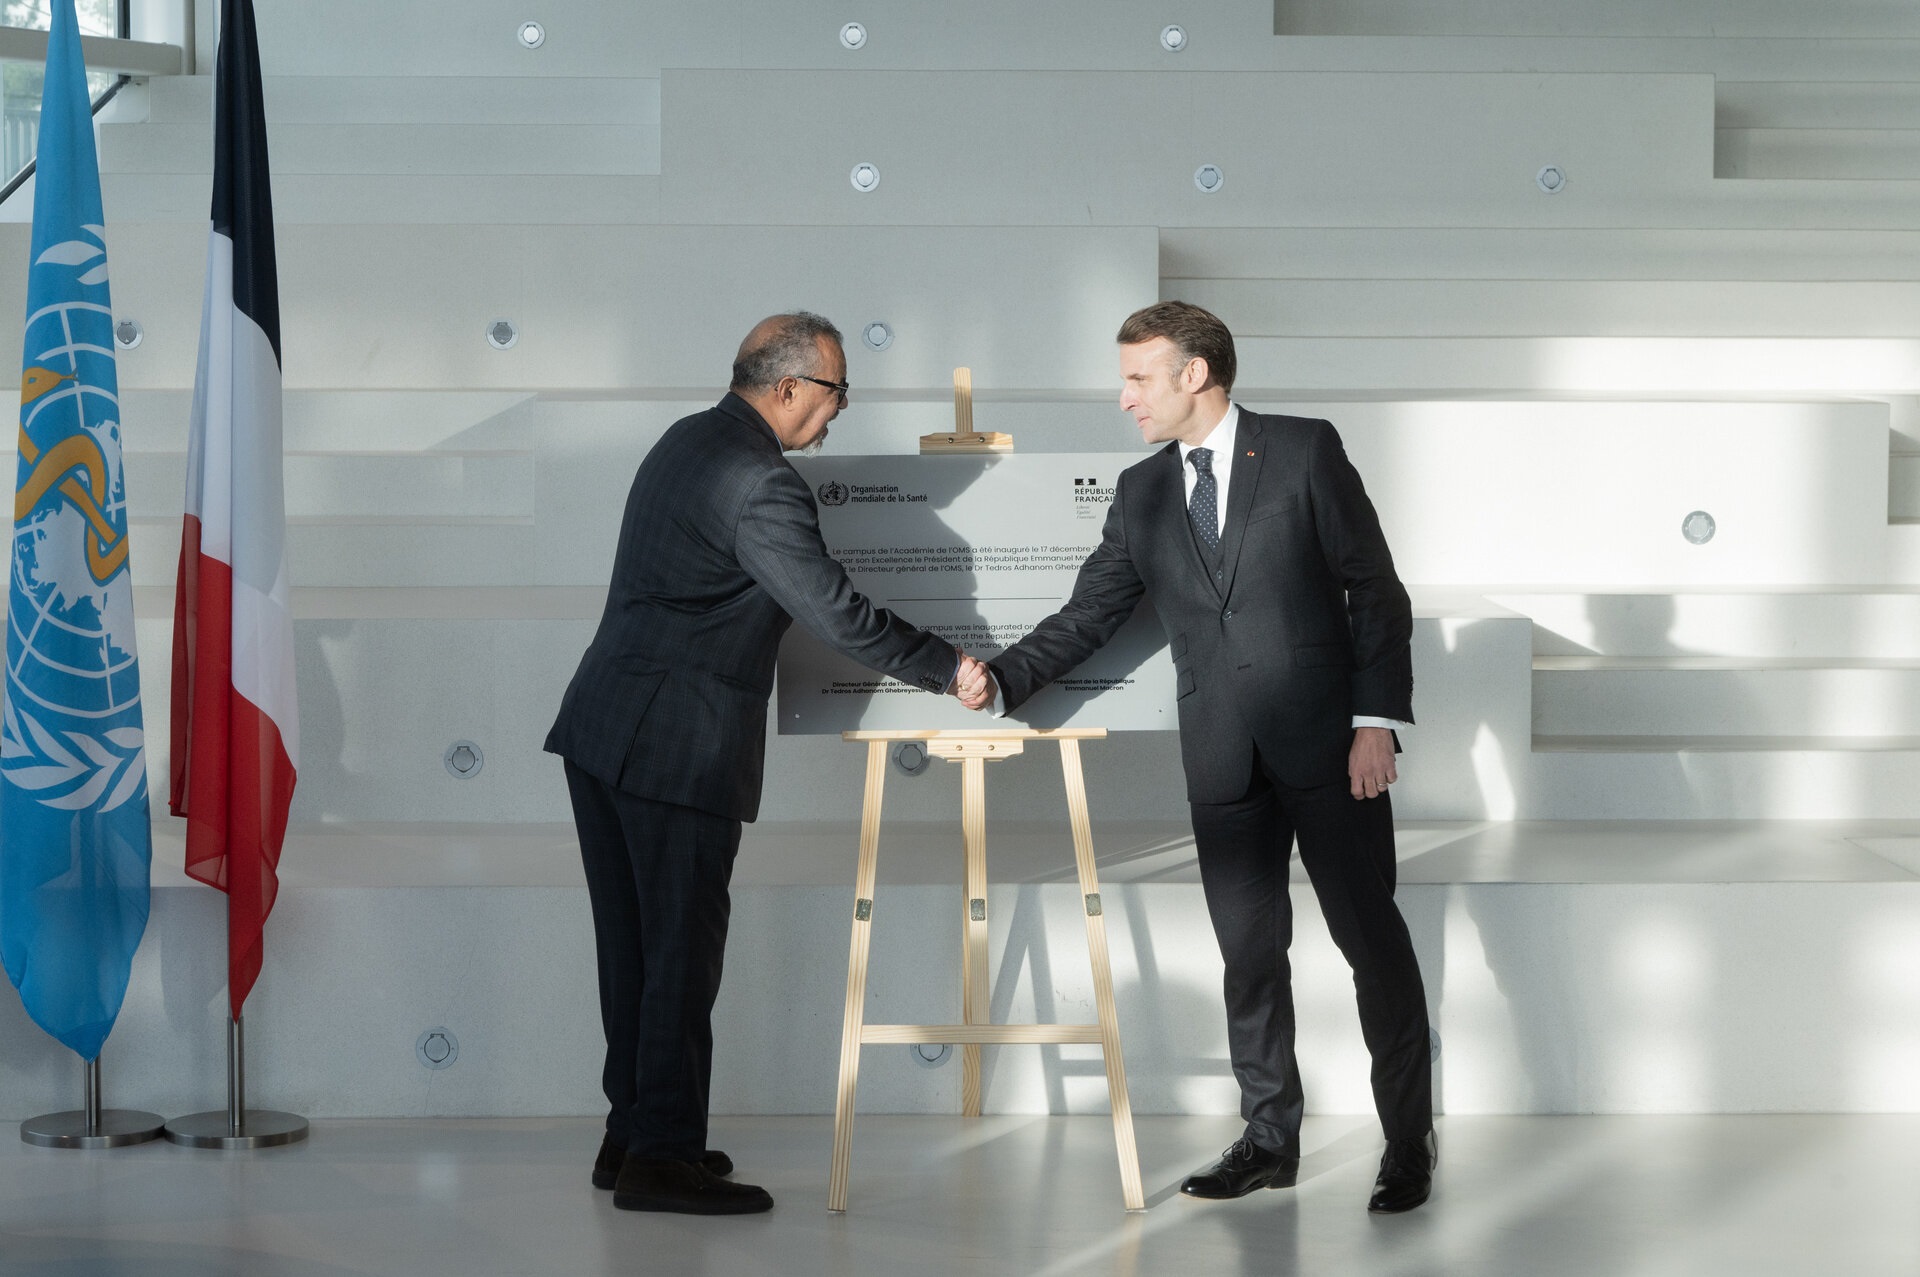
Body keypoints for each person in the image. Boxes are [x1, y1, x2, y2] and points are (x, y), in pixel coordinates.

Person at [962, 301, 1436, 1213]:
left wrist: (1376, 719)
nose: (1125, 397)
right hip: (1221, 757)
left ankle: (1407, 1142)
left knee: (1371, 946)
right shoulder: (1140, 492)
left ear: (1195, 373)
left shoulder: (1303, 450)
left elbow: (1374, 588)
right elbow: (1091, 613)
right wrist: (1000, 678)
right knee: (1248, 957)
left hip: (1332, 749)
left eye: (1139, 376)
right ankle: (1269, 1138)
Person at [545, 312, 991, 1215]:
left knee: (632, 950)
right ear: (787, 388)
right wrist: (949, 666)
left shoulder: (688, 439)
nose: (838, 415)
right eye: (835, 393)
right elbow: (835, 612)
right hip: (674, 745)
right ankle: (661, 1158)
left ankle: (631, 1135)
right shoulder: (762, 483)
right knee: (677, 954)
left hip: (605, 729)